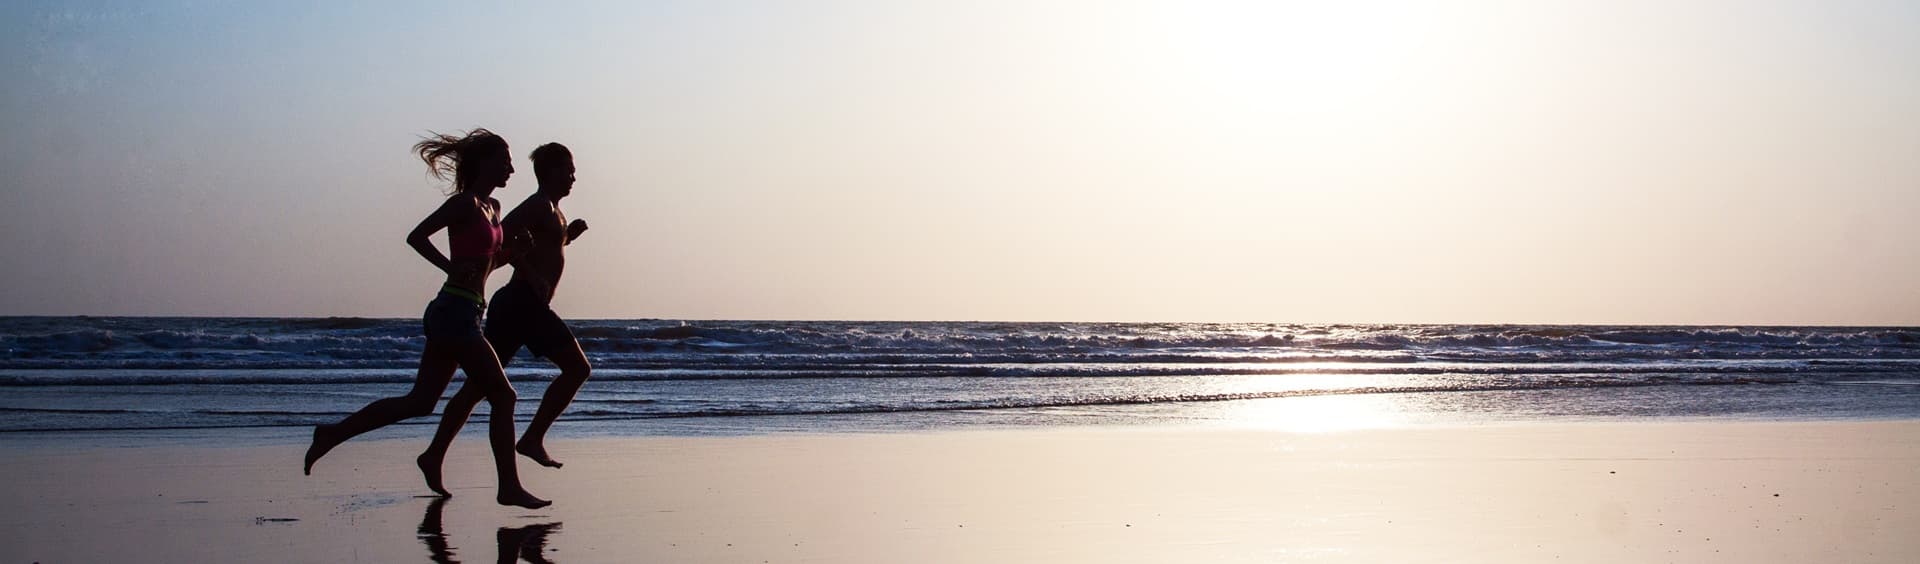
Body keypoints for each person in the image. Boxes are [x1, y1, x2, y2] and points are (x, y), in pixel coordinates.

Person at [304, 128, 549, 509]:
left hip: (466, 312)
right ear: (484, 162)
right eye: (505, 161)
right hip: (452, 313)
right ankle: (508, 487)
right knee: (503, 395)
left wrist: (513, 252)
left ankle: (333, 434)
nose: (512, 169)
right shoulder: (464, 205)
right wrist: (449, 266)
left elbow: (484, 266)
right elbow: (417, 236)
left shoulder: (494, 209)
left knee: (420, 402)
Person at [417, 142, 591, 495]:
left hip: (517, 307)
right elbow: (504, 236)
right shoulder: (537, 206)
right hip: (521, 303)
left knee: (479, 388)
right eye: (567, 171)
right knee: (577, 368)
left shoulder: (554, 212)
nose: (573, 177)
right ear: (549, 173)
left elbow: (540, 246)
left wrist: (567, 236)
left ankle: (434, 454)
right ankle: (532, 439)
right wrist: (529, 272)